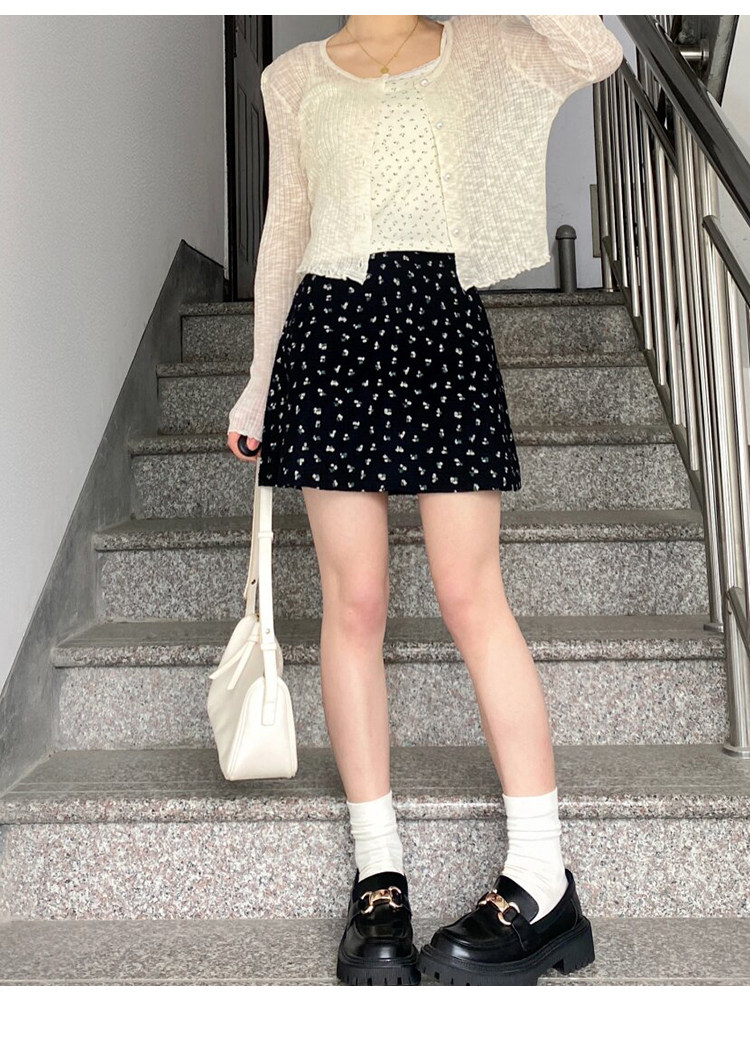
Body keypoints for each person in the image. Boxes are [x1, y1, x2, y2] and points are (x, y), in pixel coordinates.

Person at [227, 14, 624, 986]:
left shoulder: (477, 44)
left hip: (441, 322)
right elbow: (286, 226)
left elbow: (597, 53)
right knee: (354, 602)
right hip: (328, 329)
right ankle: (379, 878)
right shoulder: (293, 77)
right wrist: (257, 381)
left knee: (470, 593)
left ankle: (542, 876)